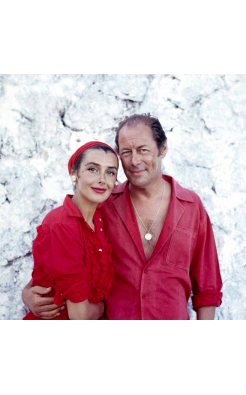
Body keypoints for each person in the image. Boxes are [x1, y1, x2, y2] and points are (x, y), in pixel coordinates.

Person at [22, 114, 223, 320]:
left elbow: (208, 288)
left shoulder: (191, 206)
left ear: (162, 149)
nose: (135, 161)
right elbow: (59, 261)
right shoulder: (101, 204)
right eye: (126, 152)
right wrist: (28, 294)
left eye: (143, 150)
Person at [23, 141, 118, 320]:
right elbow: (79, 316)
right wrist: (104, 307)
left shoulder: (100, 219)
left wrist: (26, 292)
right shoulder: (60, 225)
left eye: (110, 172)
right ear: (74, 174)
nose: (102, 179)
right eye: (92, 169)